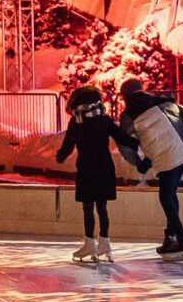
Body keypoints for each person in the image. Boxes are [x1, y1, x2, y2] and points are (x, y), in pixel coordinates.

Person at [117, 77, 183, 258]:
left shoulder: (129, 114)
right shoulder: (164, 101)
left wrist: (138, 162)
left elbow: (124, 143)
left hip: (166, 156)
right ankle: (171, 237)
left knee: (166, 197)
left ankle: (181, 238)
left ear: (125, 96)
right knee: (170, 195)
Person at [56, 85, 139, 263]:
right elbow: (121, 137)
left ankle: (90, 243)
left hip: (87, 169)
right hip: (104, 168)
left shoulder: (77, 122)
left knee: (88, 207)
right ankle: (105, 243)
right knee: (102, 208)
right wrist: (138, 144)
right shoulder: (104, 120)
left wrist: (61, 156)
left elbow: (68, 145)